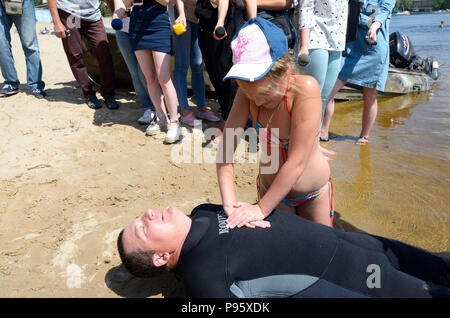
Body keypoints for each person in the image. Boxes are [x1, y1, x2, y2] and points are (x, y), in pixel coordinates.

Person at [117, 203, 450, 298]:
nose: (147, 214)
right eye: (144, 229)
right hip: (359, 281)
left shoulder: (203, 210)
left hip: (362, 244)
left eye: (140, 218)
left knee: (441, 265)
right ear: (161, 257)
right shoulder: (203, 281)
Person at [217, 17, 333, 229]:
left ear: (287, 69)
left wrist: (260, 209)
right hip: (272, 194)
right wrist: (230, 205)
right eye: (251, 95)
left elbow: (297, 162)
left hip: (313, 193)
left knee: (322, 252)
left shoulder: (305, 89)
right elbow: (225, 151)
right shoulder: (247, 93)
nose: (258, 101)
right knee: (283, 255)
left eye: (266, 93)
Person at [320, 0, 396, 145]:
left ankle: (364, 136)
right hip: (350, 46)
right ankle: (323, 131)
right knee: (329, 90)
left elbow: (384, 11)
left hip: (373, 47)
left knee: (370, 96)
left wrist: (374, 26)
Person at [123, 0, 181, 143]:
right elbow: (126, 3)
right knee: (149, 77)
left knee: (164, 78)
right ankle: (161, 118)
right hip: (137, 25)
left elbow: (165, 1)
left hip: (158, 24)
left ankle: (174, 123)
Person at [48, 0, 119, 110]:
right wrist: (56, 22)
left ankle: (108, 93)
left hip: (92, 15)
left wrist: (115, 12)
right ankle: (89, 93)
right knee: (75, 54)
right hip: (70, 13)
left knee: (104, 53)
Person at [297, 0, 348, 142]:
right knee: (312, 98)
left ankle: (314, 145)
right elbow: (306, 9)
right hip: (315, 39)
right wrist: (304, 45)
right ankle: (303, 143)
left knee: (324, 99)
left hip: (337, 43)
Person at [172, 0, 221, 127]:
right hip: (182, 17)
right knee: (181, 65)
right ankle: (184, 111)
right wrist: (181, 14)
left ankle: (202, 108)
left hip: (199, 18)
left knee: (198, 64)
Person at [108, 0, 156, 125]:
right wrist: (116, 16)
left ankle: (158, 108)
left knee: (144, 73)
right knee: (134, 72)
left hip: (143, 29)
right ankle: (147, 109)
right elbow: (119, 6)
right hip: (123, 31)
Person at [0, 0, 46, 98]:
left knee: (30, 44)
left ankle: (36, 83)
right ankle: (11, 82)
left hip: (23, 2)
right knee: (1, 44)